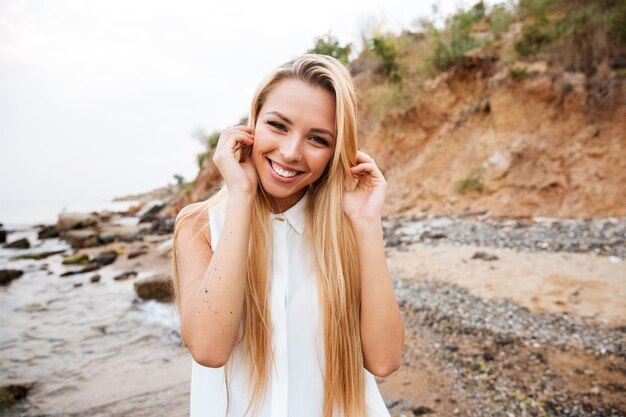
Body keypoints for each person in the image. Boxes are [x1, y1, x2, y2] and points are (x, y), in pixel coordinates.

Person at [171, 53, 404, 417]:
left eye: (317, 139)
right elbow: (209, 349)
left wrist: (368, 223)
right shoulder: (200, 227)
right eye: (278, 126)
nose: (292, 152)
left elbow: (385, 359)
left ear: (335, 152)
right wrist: (242, 197)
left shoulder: (349, 229)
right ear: (252, 124)